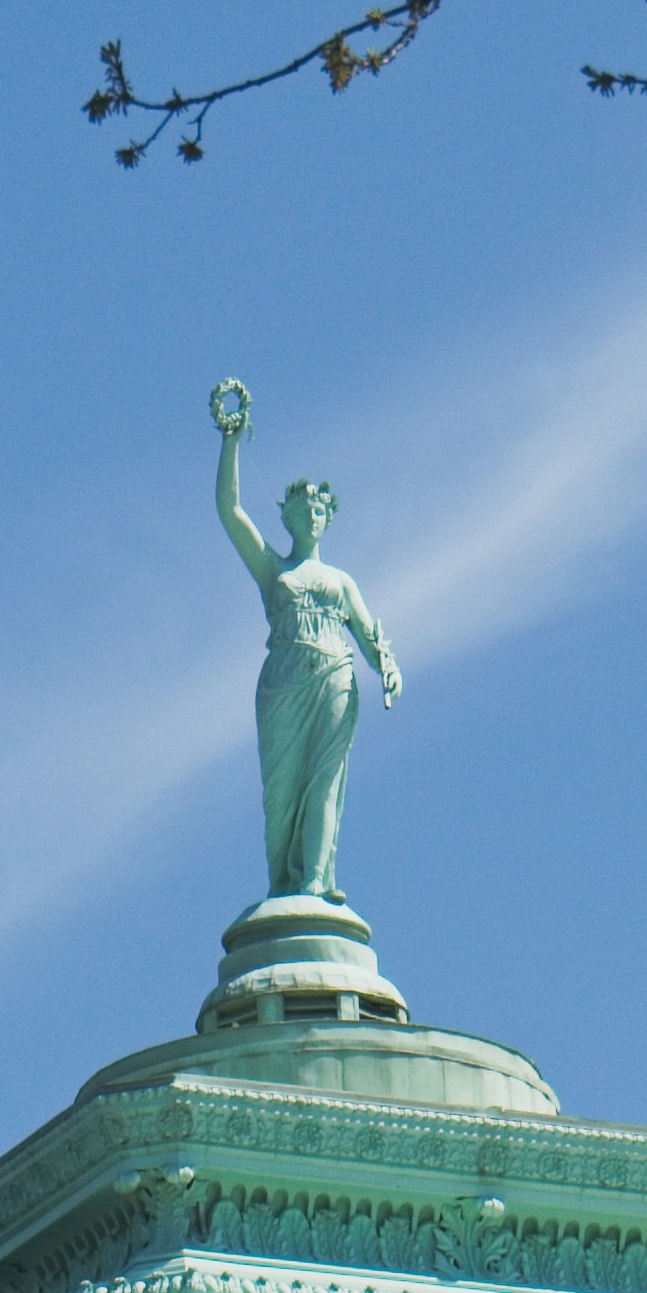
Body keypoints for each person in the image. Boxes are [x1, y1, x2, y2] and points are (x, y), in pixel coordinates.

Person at [211, 376, 401, 901]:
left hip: (335, 677)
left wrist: (387, 665)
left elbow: (367, 633)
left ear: (328, 519)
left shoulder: (341, 582)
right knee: (280, 798)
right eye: (305, 510)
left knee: (324, 779)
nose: (313, 517)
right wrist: (232, 440)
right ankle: (284, 885)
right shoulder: (275, 572)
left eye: (321, 511)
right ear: (290, 516)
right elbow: (230, 513)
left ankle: (315, 880)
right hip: (283, 688)